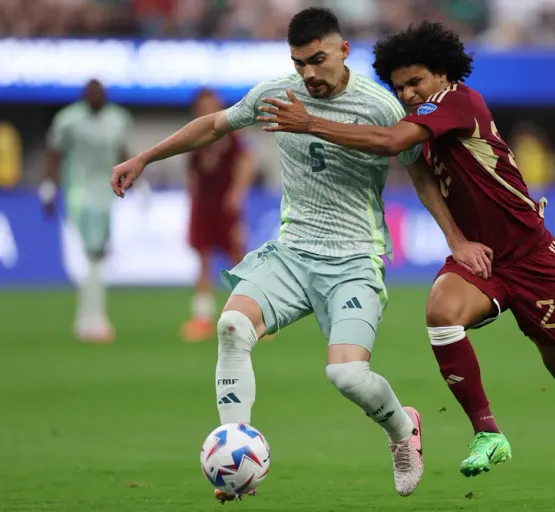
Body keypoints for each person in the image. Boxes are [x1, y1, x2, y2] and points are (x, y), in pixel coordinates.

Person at [256, 21, 555, 512]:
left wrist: (310, 122)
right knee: (441, 312)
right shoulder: (423, 122)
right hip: (481, 258)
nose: (407, 92)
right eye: (399, 86)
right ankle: (488, 433)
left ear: (442, 73)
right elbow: (421, 174)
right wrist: (457, 240)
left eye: (416, 81)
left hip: (533, 261)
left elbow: (387, 142)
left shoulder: (458, 103)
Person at [109, 8, 485, 502]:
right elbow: (215, 126)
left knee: (347, 375)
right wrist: (144, 157)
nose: (309, 73)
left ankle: (402, 430)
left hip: (353, 260)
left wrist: (456, 240)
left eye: (318, 59)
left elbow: (420, 177)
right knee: (231, 327)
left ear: (344, 52)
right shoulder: (276, 94)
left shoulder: (380, 107)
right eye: (299, 62)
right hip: (291, 253)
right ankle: (235, 454)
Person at [41, 79, 132, 343]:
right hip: (79, 191)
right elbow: (54, 153)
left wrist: (139, 179)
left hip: (107, 191)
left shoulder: (119, 119)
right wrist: (48, 186)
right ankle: (93, 319)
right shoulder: (68, 120)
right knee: (93, 252)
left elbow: (123, 151)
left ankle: (88, 319)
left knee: (96, 254)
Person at [181, 88, 256, 343]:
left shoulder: (231, 131)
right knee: (202, 259)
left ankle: (253, 315)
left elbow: (246, 162)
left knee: (238, 259)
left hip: (225, 205)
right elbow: (192, 172)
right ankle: (202, 318)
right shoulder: (194, 132)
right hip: (203, 205)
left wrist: (237, 193)